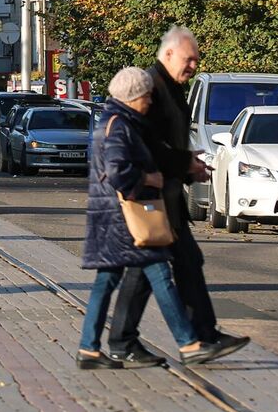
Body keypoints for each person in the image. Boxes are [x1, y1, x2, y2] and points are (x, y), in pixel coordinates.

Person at [105, 27, 248, 366]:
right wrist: (184, 163)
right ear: (167, 54)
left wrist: (187, 168)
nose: (194, 66)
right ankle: (130, 340)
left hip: (167, 195)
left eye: (197, 60)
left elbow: (167, 144)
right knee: (147, 270)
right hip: (149, 197)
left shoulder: (174, 88)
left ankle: (202, 336)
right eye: (189, 59)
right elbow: (146, 144)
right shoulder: (150, 87)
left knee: (184, 263)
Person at [78, 68, 216, 368]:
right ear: (133, 96)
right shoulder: (118, 126)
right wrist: (149, 178)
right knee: (160, 274)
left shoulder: (119, 122)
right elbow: (117, 172)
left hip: (115, 219)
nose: (150, 102)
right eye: (147, 96)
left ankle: (89, 349)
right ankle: (188, 343)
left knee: (106, 280)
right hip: (126, 219)